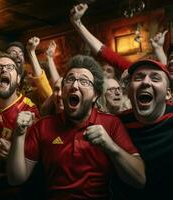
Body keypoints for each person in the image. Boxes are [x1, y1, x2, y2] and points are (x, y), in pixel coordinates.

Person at [7, 55, 145, 199]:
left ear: (95, 95)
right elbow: (15, 178)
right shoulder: (43, 126)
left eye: (84, 81)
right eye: (70, 79)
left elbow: (139, 180)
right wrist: (18, 134)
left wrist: (111, 147)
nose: (74, 86)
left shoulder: (111, 124)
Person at [71, 4, 173, 199]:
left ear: (168, 93)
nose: (145, 82)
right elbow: (107, 54)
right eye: (138, 77)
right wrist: (77, 24)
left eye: (155, 78)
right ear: (128, 86)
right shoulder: (117, 124)